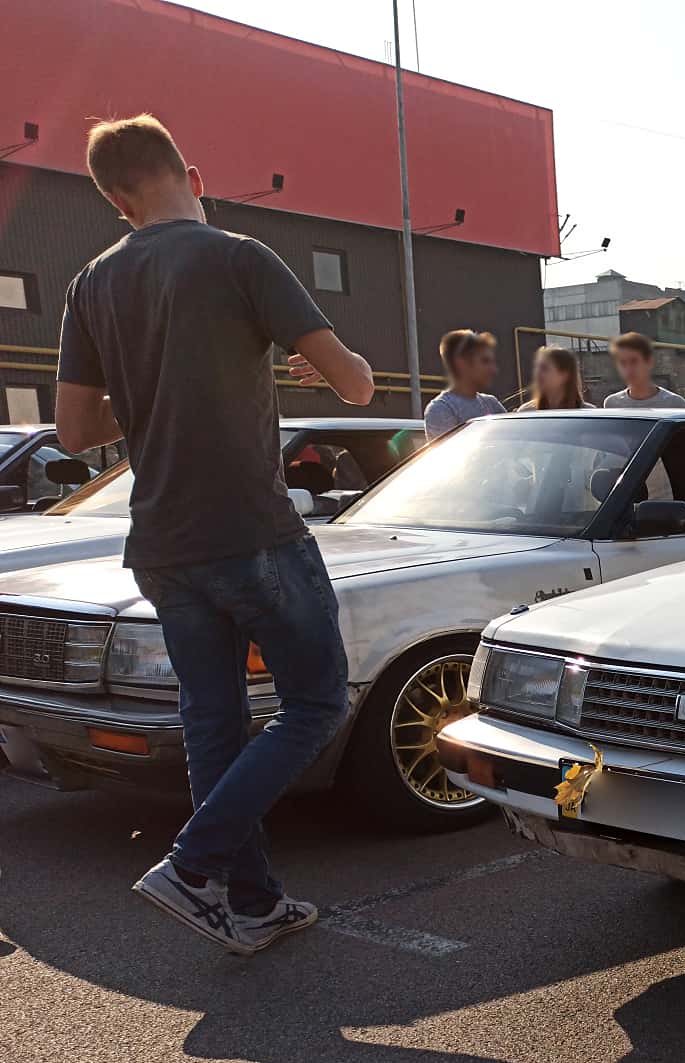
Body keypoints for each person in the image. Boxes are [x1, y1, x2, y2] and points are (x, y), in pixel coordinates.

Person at [54, 114, 374, 954]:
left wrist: (154, 385)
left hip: (160, 540)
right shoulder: (240, 256)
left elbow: (73, 432)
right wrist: (314, 363)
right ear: (191, 172)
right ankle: (192, 865)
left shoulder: (91, 282)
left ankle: (254, 900)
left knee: (214, 724)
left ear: (117, 201)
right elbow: (359, 388)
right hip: (253, 531)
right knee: (316, 703)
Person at [424, 329, 506, 438]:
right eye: (485, 361)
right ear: (461, 364)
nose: (493, 370)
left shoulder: (492, 403)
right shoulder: (441, 409)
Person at [602, 332, 685, 409]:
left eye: (634, 361)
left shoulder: (675, 404)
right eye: (623, 363)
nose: (628, 369)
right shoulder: (612, 404)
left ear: (649, 362)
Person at [518, 345, 586, 410]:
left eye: (544, 368)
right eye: (537, 368)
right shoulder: (526, 412)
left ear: (565, 375)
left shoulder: (587, 414)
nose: (537, 373)